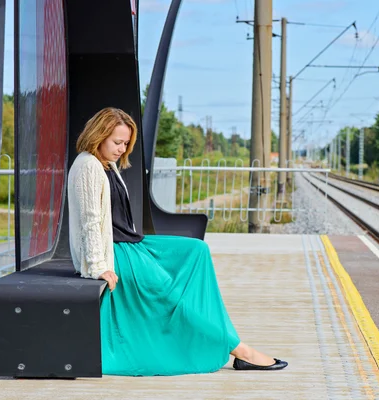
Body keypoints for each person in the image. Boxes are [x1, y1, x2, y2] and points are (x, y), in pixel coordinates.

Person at [67, 107, 288, 376]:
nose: (122, 149)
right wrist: (97, 267)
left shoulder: (106, 164)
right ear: (98, 135)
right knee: (169, 295)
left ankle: (228, 339)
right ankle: (241, 351)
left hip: (131, 243)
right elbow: (89, 221)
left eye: (126, 144)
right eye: (117, 142)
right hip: (114, 253)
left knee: (196, 250)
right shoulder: (88, 166)